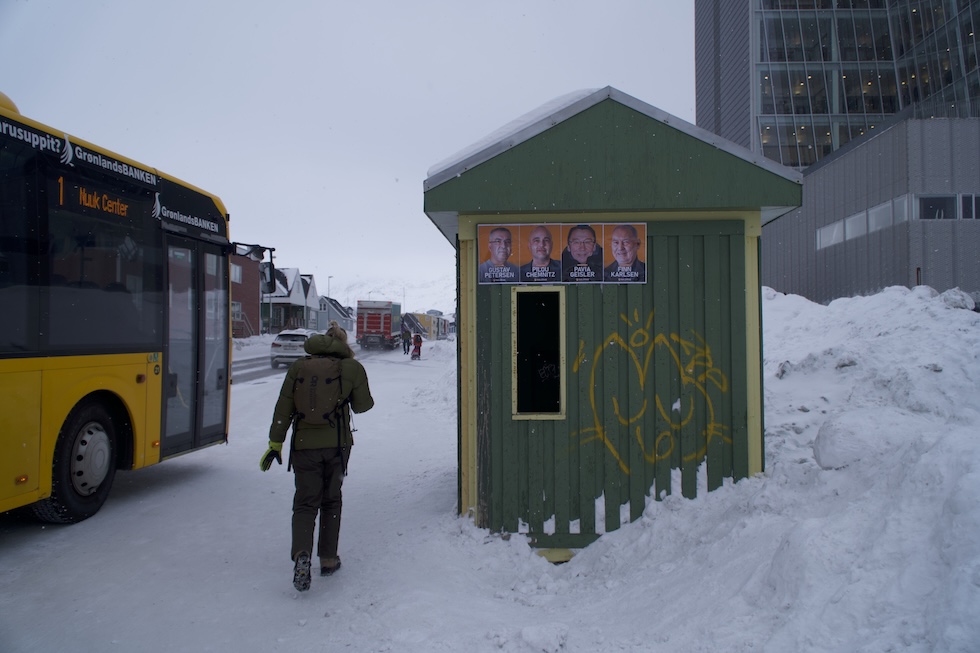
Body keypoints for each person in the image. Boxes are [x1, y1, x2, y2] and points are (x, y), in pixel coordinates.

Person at [260, 320, 374, 591]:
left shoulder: (299, 367)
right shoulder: (351, 367)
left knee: (305, 503)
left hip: (304, 446)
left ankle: (302, 554)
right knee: (331, 500)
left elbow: (283, 408)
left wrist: (275, 443)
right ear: (343, 343)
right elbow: (363, 406)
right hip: (337, 446)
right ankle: (328, 559)